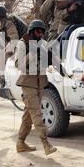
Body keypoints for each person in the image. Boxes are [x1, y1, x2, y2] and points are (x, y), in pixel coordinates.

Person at [14, 20, 57, 155]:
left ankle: (20, 142)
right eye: (38, 31)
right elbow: (18, 64)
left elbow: (52, 60)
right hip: (28, 82)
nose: (40, 34)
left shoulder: (43, 43)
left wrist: (51, 59)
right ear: (32, 32)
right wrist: (32, 52)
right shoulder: (23, 44)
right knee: (37, 113)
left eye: (42, 32)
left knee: (29, 115)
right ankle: (45, 143)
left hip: (40, 82)